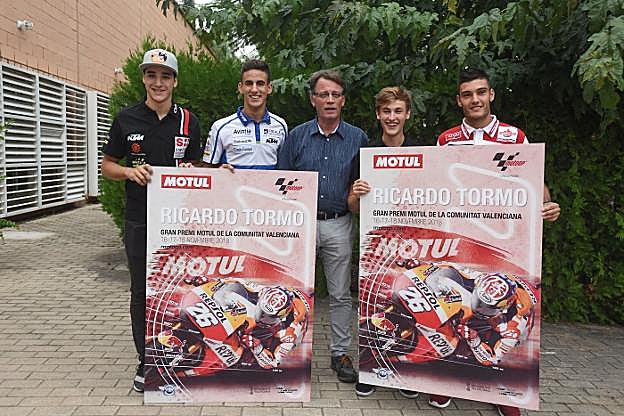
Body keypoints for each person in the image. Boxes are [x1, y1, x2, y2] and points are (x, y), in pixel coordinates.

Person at [434, 68, 560, 416]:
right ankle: (446, 382)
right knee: (456, 306)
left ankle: (502, 392)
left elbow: (533, 179)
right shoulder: (446, 139)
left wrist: (547, 204)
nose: (475, 99)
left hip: (503, 238)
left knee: (502, 310)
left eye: (481, 92)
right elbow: (434, 184)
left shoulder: (514, 136)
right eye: (467, 94)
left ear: (490, 94)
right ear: (459, 100)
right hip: (462, 235)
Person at [101, 48, 202, 393]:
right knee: (142, 290)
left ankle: (177, 354)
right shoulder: (126, 119)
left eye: (165, 76)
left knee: (179, 289)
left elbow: (196, 167)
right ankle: (146, 360)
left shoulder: (188, 121)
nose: (158, 83)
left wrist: (201, 170)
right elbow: (107, 165)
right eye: (152, 75)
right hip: (139, 218)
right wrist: (129, 172)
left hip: (178, 221)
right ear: (143, 78)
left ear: (175, 81)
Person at [277, 69, 368, 383]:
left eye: (335, 95)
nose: (329, 100)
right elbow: (281, 182)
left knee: (341, 294)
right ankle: (287, 354)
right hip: (301, 225)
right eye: (323, 94)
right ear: (312, 99)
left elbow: (362, 184)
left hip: (339, 224)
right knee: (292, 292)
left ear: (343, 100)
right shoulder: (296, 137)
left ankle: (340, 354)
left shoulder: (358, 138)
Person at [347, 86, 420, 398]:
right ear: (378, 114)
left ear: (407, 115)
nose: (392, 117)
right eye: (386, 111)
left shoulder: (423, 153)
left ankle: (406, 372)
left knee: (410, 307)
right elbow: (351, 206)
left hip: (413, 245)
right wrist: (356, 193)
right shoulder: (365, 156)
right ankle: (370, 368)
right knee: (374, 307)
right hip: (375, 247)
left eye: (398, 111)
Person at [202, 59, 287, 169]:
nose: (254, 89)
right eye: (249, 83)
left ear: (269, 88)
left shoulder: (280, 125)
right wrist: (219, 171)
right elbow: (207, 170)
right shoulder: (220, 127)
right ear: (240, 87)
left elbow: (285, 167)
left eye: (260, 84)